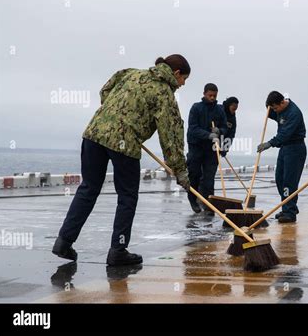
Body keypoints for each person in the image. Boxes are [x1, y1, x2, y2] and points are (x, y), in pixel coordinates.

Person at [52, 54, 191, 266]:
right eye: (184, 80)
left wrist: (115, 116)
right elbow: (170, 137)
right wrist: (180, 171)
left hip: (94, 134)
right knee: (127, 196)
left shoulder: (130, 73)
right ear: (176, 73)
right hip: (123, 144)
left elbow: (105, 90)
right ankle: (118, 249)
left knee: (88, 189)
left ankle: (63, 241)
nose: (182, 85)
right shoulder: (164, 95)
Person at [256, 91, 307, 223]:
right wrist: (267, 107)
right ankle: (288, 207)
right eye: (272, 108)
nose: (274, 111)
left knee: (289, 182)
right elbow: (272, 113)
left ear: (282, 102)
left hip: (295, 148)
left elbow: (285, 134)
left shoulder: (294, 113)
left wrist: (269, 143)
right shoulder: (280, 108)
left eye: (275, 108)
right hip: (284, 149)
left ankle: (289, 212)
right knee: (279, 179)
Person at [186, 83, 228, 215]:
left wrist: (219, 130)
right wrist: (209, 135)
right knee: (195, 175)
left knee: (209, 178)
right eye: (210, 95)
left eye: (215, 96)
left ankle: (209, 205)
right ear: (204, 94)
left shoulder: (219, 110)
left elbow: (225, 128)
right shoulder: (196, 108)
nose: (212, 98)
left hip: (211, 149)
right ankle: (193, 199)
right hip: (196, 146)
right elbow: (193, 128)